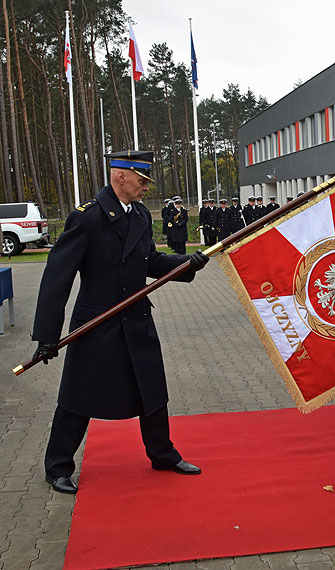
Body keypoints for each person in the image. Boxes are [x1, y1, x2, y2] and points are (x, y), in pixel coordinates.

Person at [31, 150, 210, 495]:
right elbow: (58, 278)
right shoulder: (87, 218)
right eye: (142, 180)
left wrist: (186, 264)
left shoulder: (140, 215)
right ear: (120, 176)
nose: (146, 187)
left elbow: (150, 260)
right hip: (97, 321)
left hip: (136, 317)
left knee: (153, 390)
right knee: (77, 397)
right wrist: (47, 335)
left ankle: (162, 454)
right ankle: (57, 467)